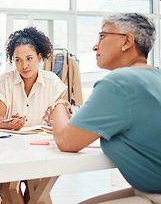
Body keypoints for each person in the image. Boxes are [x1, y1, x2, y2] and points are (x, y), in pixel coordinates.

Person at [45, 13, 161, 204]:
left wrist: (58, 103)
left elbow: (66, 141)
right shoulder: (154, 76)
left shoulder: (120, 82)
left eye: (102, 36)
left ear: (127, 41)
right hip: (147, 190)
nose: (95, 45)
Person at [0, 27, 67, 131]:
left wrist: (55, 117)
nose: (24, 65)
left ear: (39, 57)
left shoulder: (52, 81)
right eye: (18, 60)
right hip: (10, 140)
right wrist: (10, 124)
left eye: (29, 59)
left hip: (40, 139)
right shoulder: (4, 81)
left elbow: (59, 118)